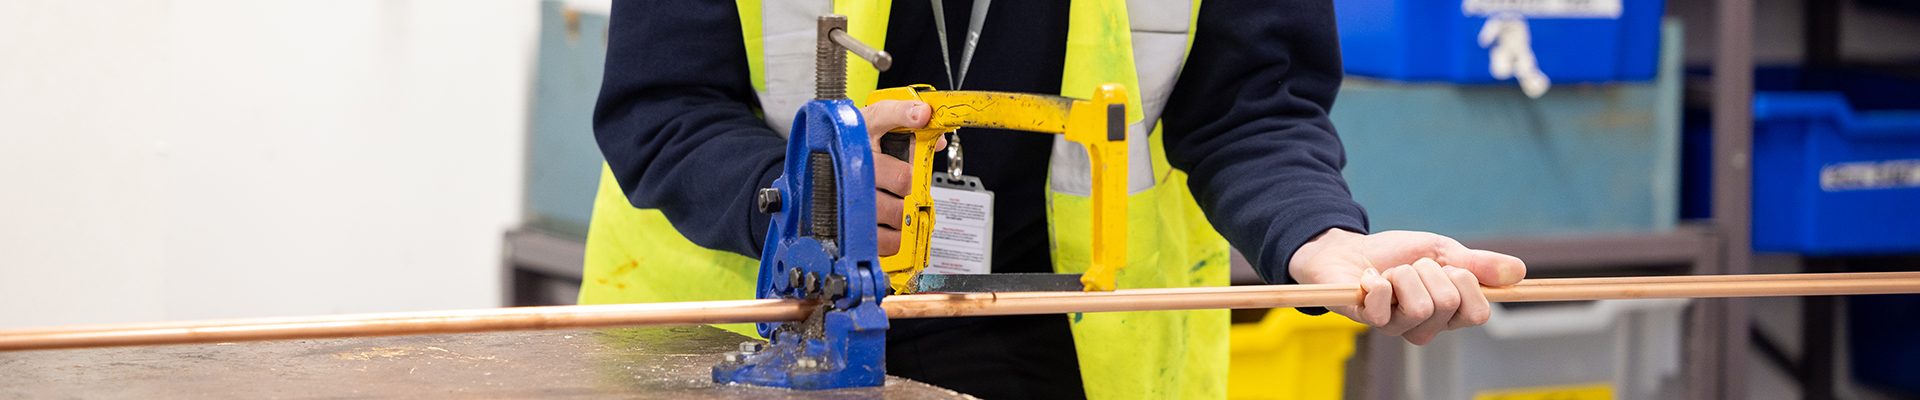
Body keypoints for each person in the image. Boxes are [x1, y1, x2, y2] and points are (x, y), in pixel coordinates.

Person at [583, 1, 1528, 399]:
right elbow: (661, 104)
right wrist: (785, 193)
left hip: (1072, 356)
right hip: (756, 343)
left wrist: (1316, 235)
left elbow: (1250, 105)